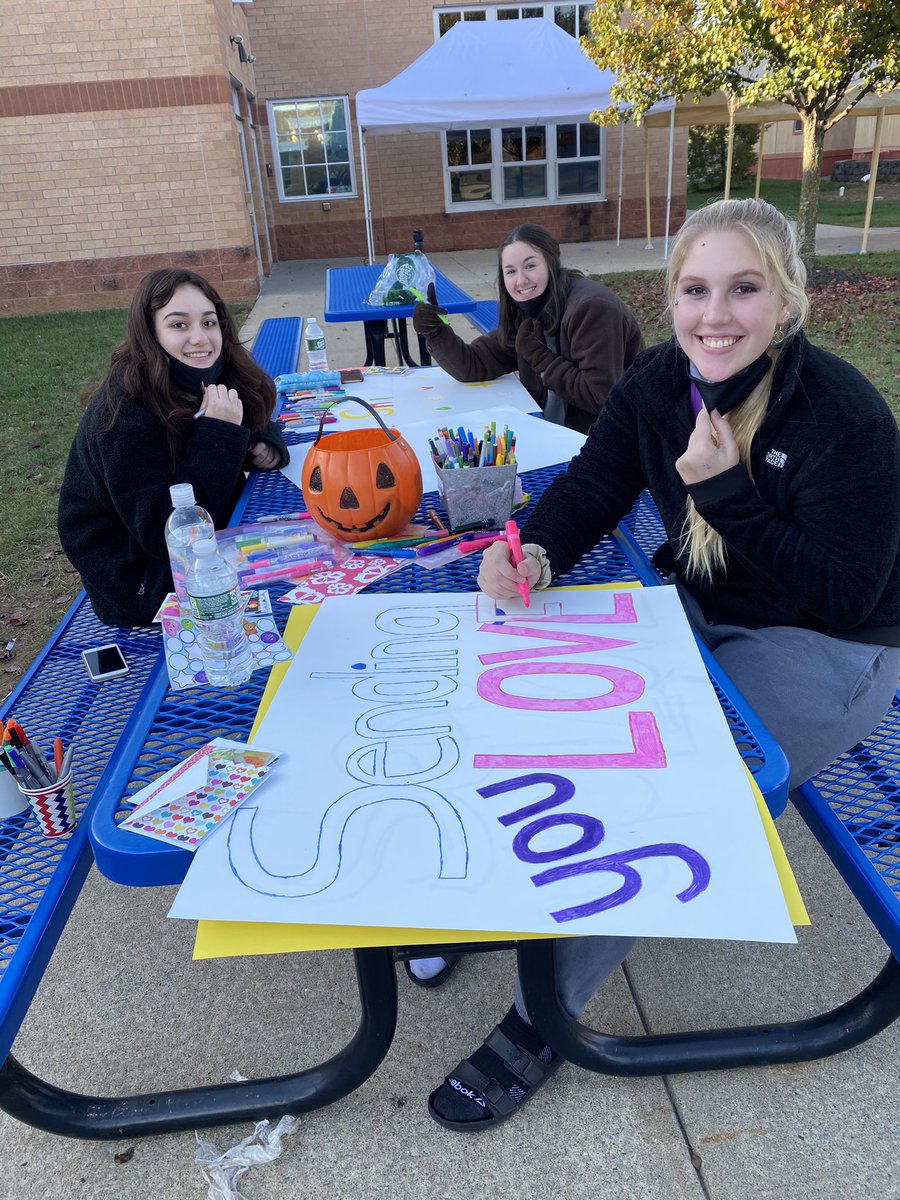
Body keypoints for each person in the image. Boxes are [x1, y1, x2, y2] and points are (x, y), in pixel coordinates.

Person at [423, 198, 900, 1133]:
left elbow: (845, 594)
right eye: (695, 290)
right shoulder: (655, 383)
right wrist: (534, 551)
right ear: (671, 298)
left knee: (676, 792)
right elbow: (595, 484)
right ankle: (492, 894)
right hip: (701, 608)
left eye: (743, 289)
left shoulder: (844, 414)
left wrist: (726, 495)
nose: (714, 316)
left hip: (831, 647)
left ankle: (541, 1022)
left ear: (786, 301)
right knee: (557, 711)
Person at [58, 268, 289, 627]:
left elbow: (239, 420)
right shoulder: (123, 413)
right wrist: (221, 433)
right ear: (150, 334)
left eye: (209, 323)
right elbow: (163, 530)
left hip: (207, 542)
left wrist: (262, 441)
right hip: (139, 576)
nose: (200, 338)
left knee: (304, 548)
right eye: (179, 325)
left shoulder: (201, 372)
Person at [412, 223, 644, 433]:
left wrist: (541, 358)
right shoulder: (529, 310)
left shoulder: (592, 309)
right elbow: (474, 365)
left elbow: (601, 397)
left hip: (612, 444)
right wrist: (436, 332)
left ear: (551, 264)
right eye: (511, 271)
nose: (521, 280)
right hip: (554, 434)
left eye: (530, 265)